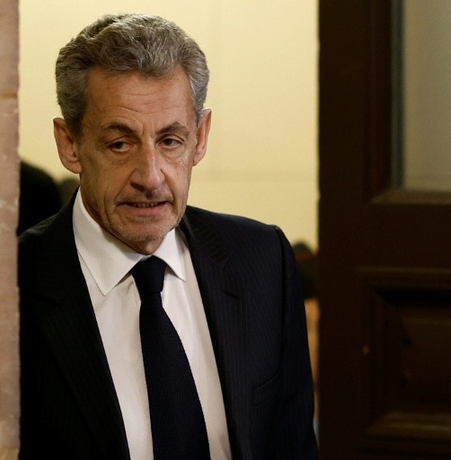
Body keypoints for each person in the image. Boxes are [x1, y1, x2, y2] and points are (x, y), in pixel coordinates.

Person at [18, 13, 318, 459]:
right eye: (120, 144)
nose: (151, 176)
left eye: (170, 141)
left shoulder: (262, 261)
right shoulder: (11, 285)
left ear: (201, 137)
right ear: (70, 144)